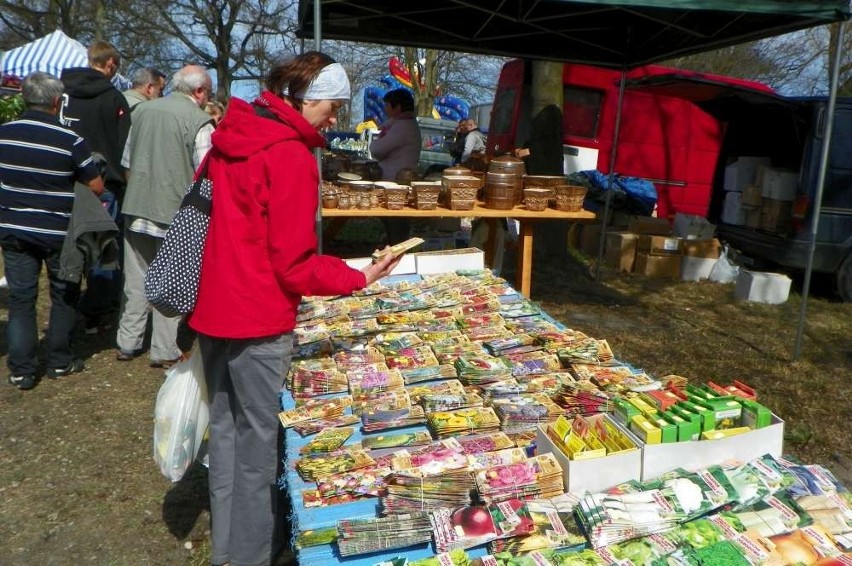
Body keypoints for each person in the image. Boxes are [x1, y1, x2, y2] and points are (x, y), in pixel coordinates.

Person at [186, 51, 400, 566]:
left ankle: (228, 553)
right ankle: (251, 557)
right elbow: (295, 264)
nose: (335, 118)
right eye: (332, 106)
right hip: (258, 319)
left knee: (230, 439)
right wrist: (357, 277)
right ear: (305, 98)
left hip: (215, 311)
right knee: (258, 453)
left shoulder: (230, 138)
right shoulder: (288, 156)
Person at [0, 72, 104, 390]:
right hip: (58, 230)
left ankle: (22, 369)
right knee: (64, 294)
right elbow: (96, 186)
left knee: (21, 299)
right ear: (57, 101)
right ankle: (59, 360)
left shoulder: (4, 134)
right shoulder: (70, 139)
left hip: (14, 228)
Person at [116, 65, 215, 368]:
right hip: (175, 212)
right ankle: (164, 349)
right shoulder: (200, 122)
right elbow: (206, 176)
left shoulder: (143, 111)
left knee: (135, 279)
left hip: (136, 206)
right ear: (199, 92)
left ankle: (127, 341)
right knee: (172, 279)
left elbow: (127, 163)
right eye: (207, 92)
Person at [60, 40, 132, 333]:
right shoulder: (114, 98)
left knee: (68, 247)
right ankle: (97, 310)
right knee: (102, 248)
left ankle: (67, 302)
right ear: (111, 64)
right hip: (104, 182)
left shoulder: (63, 95)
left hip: (64, 178)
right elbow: (126, 145)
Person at [369, 88, 421, 242]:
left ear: (397, 107)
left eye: (387, 105)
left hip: (395, 183)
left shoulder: (402, 126)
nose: (385, 109)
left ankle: (397, 251)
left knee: (396, 222)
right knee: (396, 222)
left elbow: (376, 149)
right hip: (397, 181)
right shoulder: (406, 124)